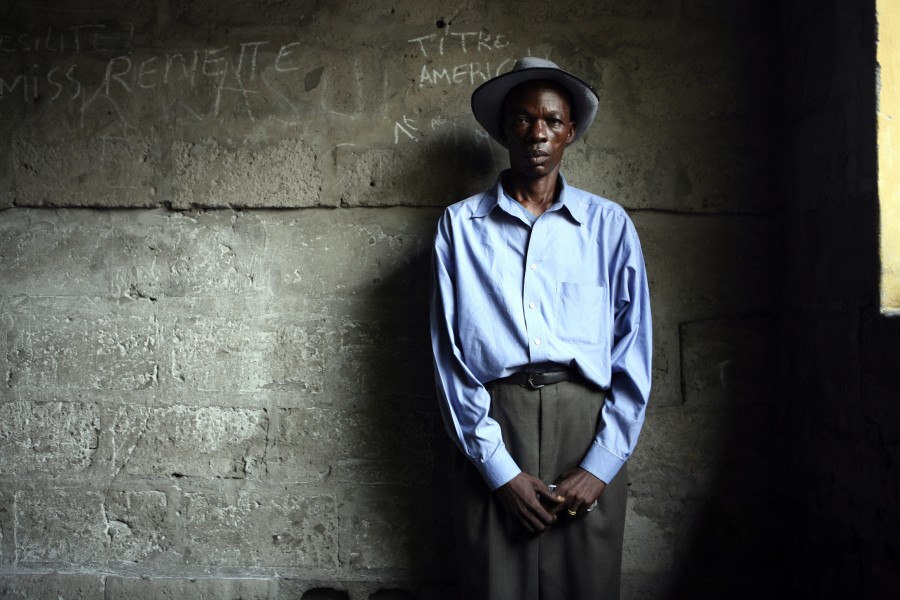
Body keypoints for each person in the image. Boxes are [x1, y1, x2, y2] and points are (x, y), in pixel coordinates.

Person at [429, 57, 652, 600]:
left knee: (587, 587)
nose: (538, 133)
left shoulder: (609, 226)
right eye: (524, 120)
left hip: (586, 427)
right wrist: (498, 468)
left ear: (570, 132)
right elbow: (448, 356)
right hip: (493, 424)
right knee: (495, 587)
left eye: (552, 121)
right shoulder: (460, 226)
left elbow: (634, 353)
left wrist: (600, 466)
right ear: (504, 129)